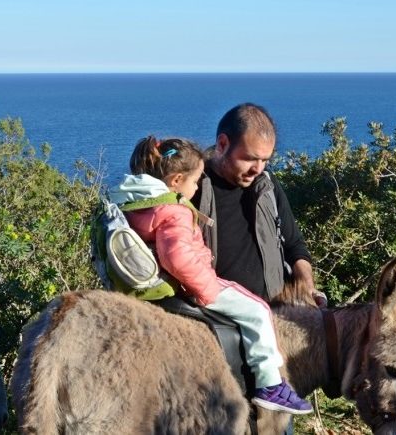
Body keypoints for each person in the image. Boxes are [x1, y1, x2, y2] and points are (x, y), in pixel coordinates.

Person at [109, 136, 313, 415]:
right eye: (195, 182)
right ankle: (270, 383)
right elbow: (177, 257)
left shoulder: (140, 205)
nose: (197, 187)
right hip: (193, 282)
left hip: (164, 285)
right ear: (177, 180)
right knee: (257, 310)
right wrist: (206, 288)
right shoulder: (174, 211)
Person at [193, 102, 324, 306]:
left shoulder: (268, 186)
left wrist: (307, 286)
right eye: (250, 159)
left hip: (275, 313)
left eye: (265, 160)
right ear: (222, 144)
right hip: (217, 319)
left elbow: (294, 246)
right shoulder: (194, 189)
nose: (258, 169)